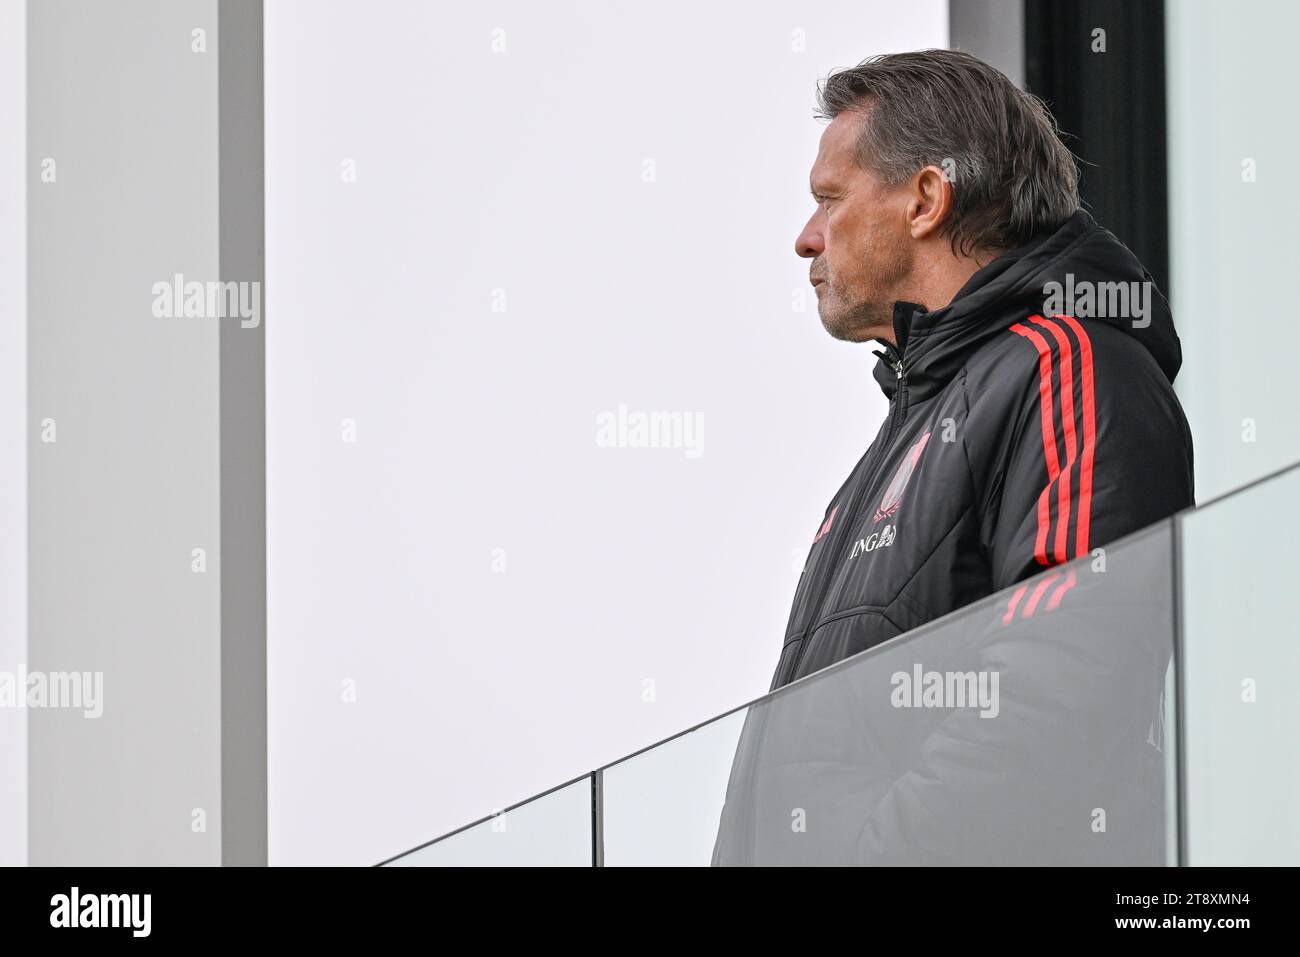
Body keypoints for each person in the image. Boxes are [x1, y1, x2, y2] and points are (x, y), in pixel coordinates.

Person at [710, 49, 1193, 866]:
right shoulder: (908, 433)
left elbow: (1062, 695)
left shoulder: (1068, 366)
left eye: (829, 198)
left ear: (928, 198)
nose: (806, 238)